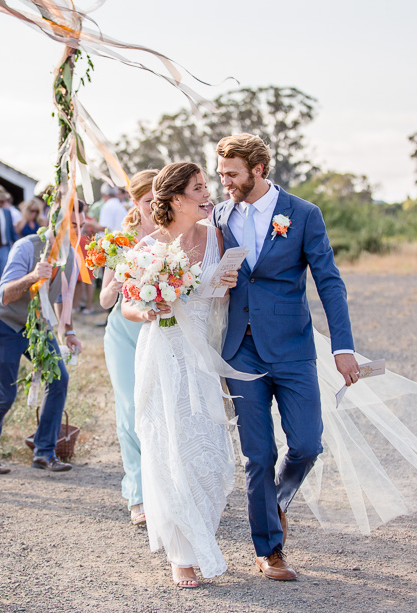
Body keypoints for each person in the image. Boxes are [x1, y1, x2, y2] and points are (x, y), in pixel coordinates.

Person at [211, 133, 360, 581]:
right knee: (258, 454)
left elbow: (328, 281)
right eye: (220, 174)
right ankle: (269, 549)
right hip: (241, 350)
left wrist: (342, 347)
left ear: (258, 170)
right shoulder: (220, 216)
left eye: (232, 174)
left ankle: (275, 500)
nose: (224, 182)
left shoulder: (303, 214)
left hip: (293, 347)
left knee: (307, 444)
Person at [121, 163, 247, 588]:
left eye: (206, 186)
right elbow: (127, 306)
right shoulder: (147, 248)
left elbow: (217, 298)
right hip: (163, 357)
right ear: (176, 199)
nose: (208, 194)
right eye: (199, 188)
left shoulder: (216, 238)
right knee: (169, 451)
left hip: (202, 358)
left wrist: (225, 283)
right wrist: (147, 310)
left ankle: (201, 535)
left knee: (209, 454)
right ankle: (182, 554)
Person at [0, 200, 84, 474]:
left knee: (58, 379)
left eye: (80, 226)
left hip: (37, 325)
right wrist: (33, 276)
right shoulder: (26, 247)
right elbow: (5, 295)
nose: (77, 232)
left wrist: (68, 331)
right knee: (5, 394)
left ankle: (45, 451)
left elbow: (62, 297)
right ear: (54, 221)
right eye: (72, 225)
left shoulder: (72, 256)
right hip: (4, 323)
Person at [99, 169, 158, 525]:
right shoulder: (119, 241)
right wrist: (119, 279)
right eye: (149, 200)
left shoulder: (174, 233)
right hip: (123, 332)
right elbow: (105, 300)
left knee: (160, 408)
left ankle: (163, 488)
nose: (155, 206)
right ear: (134, 201)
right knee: (131, 409)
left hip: (160, 329)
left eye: (160, 199)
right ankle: (137, 494)